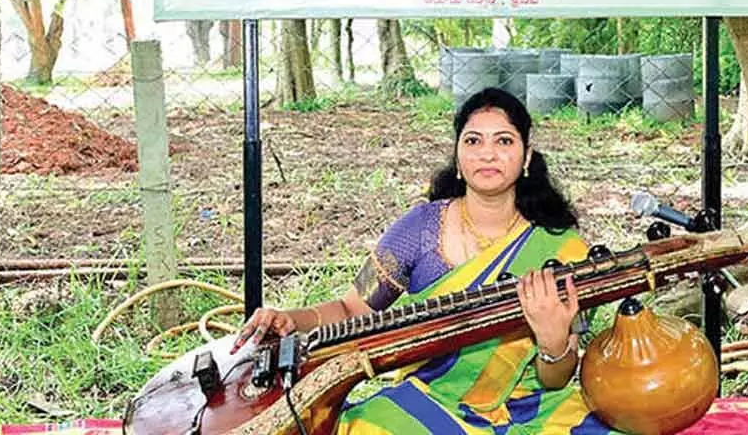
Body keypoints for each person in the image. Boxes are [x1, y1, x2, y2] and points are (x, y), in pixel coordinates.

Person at [232, 87, 619, 433]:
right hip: (429, 404)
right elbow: (352, 308)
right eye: (473, 141)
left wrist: (553, 342)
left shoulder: (561, 250)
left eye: (504, 141)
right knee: (371, 427)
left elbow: (556, 378)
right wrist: (291, 320)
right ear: (458, 153)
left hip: (531, 408)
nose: (487, 153)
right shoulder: (420, 228)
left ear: (527, 156)